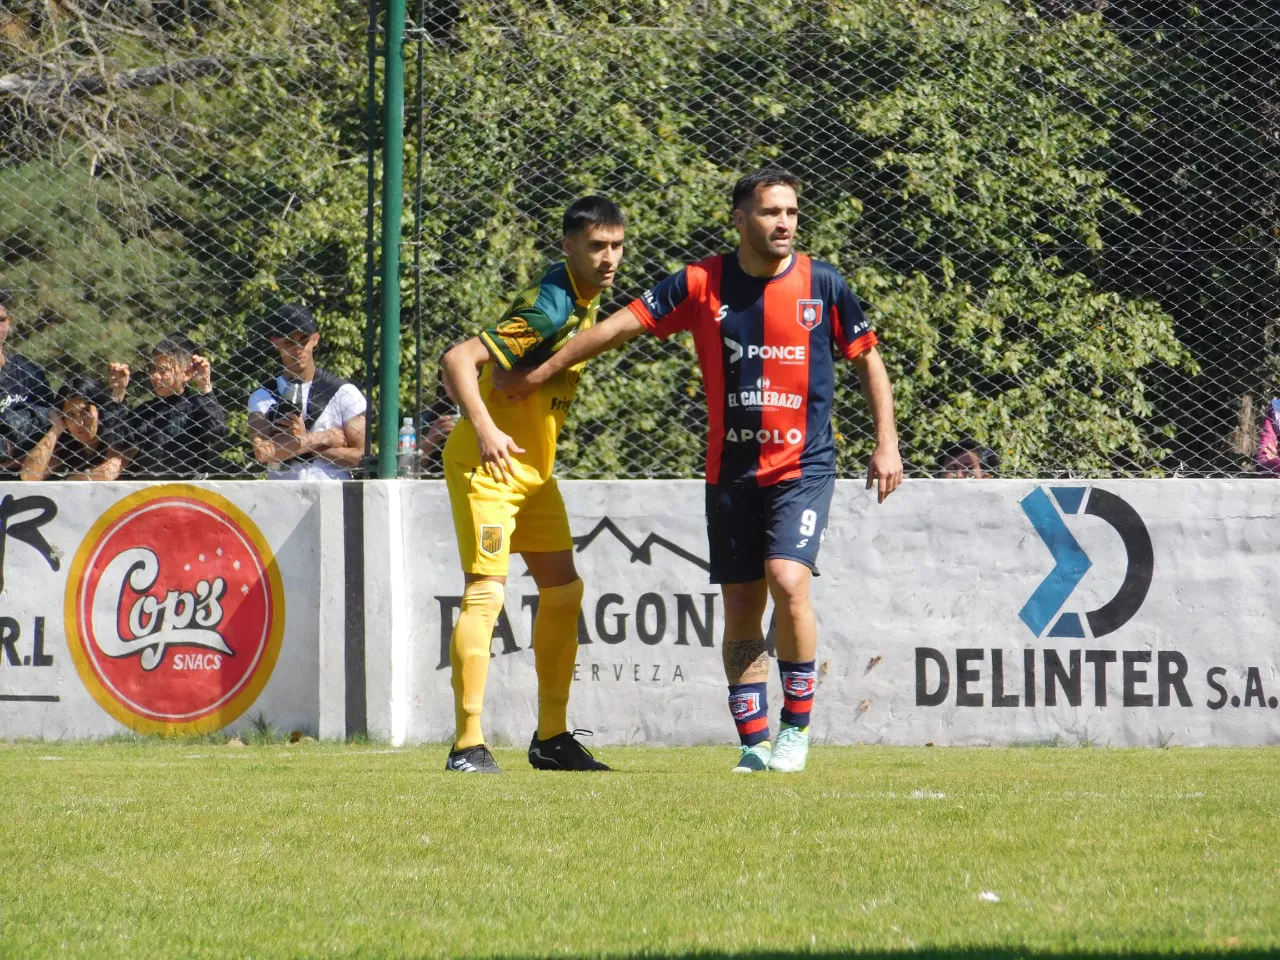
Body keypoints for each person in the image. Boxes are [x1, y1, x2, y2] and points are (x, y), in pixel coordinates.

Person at [496, 168, 903, 774]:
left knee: (788, 581)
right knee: (741, 606)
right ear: (740, 220)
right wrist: (537, 371)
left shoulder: (824, 283)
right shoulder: (699, 283)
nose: (784, 222)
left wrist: (886, 443)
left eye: (791, 211)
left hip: (804, 465)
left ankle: (796, 730)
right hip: (730, 472)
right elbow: (615, 329)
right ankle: (754, 744)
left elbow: (868, 361)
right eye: (770, 212)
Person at [438, 196, 626, 774]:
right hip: (488, 466)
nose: (610, 258)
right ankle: (467, 745)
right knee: (485, 596)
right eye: (597, 246)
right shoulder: (551, 309)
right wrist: (487, 427)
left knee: (565, 593)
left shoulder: (586, 301)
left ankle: (551, 739)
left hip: (533, 474)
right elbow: (458, 358)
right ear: (569, 246)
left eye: (617, 246)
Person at [248, 305, 367, 481]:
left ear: (315, 339)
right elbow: (262, 452)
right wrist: (322, 437)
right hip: (282, 496)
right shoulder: (262, 397)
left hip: (331, 496)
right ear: (275, 342)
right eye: (289, 342)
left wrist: (297, 444)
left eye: (304, 340)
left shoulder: (343, 392)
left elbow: (361, 457)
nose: (298, 350)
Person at [111, 334, 228, 479]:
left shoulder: (196, 407)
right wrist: (118, 392)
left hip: (189, 493)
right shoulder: (147, 411)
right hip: (151, 493)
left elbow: (217, 430)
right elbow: (117, 438)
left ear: (186, 374)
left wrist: (206, 387)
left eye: (163, 371)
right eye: (153, 369)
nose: (155, 376)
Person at [20, 374, 128, 481]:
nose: (79, 423)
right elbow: (29, 475)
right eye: (71, 415)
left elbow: (107, 473)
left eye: (85, 412)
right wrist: (56, 429)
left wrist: (69, 480)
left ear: (99, 409)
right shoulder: (66, 443)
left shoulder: (114, 431)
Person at [0, 290, 55, 479]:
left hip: (26, 471)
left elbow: (52, 417)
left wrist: (17, 426)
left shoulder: (29, 372)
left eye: (1, 320)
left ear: (9, 321)